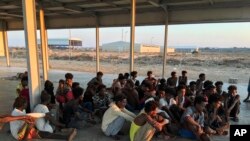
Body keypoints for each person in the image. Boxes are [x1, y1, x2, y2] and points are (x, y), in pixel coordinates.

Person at [10, 96, 77, 141]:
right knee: (43, 133)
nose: (27, 104)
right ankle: (66, 137)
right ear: (23, 104)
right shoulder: (19, 113)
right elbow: (28, 118)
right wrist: (44, 115)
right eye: (26, 103)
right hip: (19, 135)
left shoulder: (18, 110)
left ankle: (66, 136)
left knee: (44, 134)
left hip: (21, 131)